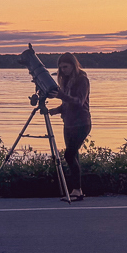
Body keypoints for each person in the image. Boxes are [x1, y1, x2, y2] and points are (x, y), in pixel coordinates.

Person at [48, 52, 91, 201]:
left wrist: (60, 95)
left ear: (73, 65)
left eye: (66, 67)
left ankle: (77, 190)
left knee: (69, 154)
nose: (63, 70)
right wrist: (56, 110)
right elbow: (67, 103)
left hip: (82, 123)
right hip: (68, 123)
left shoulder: (82, 80)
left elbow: (79, 101)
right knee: (74, 156)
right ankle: (77, 191)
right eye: (61, 68)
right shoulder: (66, 81)